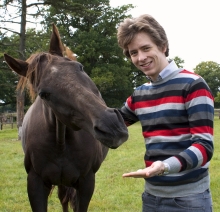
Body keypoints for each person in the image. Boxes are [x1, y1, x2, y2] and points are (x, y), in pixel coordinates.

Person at [117, 14, 214, 212]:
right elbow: (112, 124)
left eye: (146, 48)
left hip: (190, 200)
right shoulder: (139, 94)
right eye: (133, 52)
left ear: (162, 46)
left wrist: (164, 166)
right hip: (151, 198)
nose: (140, 58)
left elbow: (204, 147)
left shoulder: (193, 85)